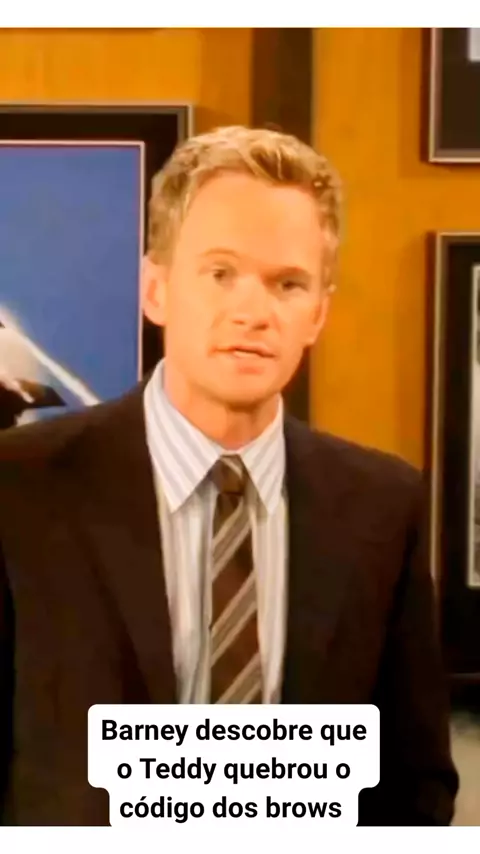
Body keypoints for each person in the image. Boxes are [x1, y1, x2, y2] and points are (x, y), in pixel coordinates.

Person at [0, 125, 458, 826]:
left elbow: (411, 785)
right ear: (156, 289)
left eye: (288, 284)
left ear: (319, 313)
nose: (253, 312)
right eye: (220, 273)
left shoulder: (382, 507)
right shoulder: (20, 490)